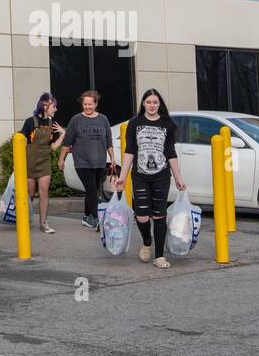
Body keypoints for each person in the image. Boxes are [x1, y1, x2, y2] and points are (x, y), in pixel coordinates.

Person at [114, 88, 185, 268]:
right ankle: (147, 242)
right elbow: (129, 151)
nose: (152, 105)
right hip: (140, 176)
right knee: (143, 216)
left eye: (155, 102)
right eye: (148, 102)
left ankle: (159, 256)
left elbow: (171, 152)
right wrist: (122, 177)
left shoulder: (166, 124)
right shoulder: (134, 123)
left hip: (161, 176)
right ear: (143, 104)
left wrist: (178, 178)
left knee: (159, 216)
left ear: (159, 104)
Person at [58, 90, 115, 229]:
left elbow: (108, 141)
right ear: (82, 105)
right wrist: (61, 159)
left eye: (90, 104)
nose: (87, 107)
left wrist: (113, 158)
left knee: (93, 189)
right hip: (82, 162)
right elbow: (67, 141)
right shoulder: (76, 120)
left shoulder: (103, 119)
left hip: (100, 162)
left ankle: (86, 216)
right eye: (85, 104)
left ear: (95, 104)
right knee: (92, 191)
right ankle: (98, 219)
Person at [20, 93, 64, 233]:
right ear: (45, 106)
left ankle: (43, 223)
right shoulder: (30, 122)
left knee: (44, 192)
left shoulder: (52, 124)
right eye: (54, 106)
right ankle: (23, 220)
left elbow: (53, 147)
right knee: (30, 194)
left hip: (45, 161)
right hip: (30, 163)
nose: (55, 109)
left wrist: (63, 134)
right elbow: (20, 142)